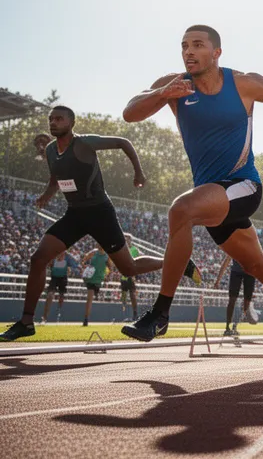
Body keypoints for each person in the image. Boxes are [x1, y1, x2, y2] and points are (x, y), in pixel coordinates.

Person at [120, 25, 263, 346]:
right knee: (255, 265)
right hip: (212, 196)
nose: (189, 52)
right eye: (184, 46)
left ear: (216, 53)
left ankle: (159, 315)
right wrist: (162, 94)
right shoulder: (175, 86)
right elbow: (130, 113)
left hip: (243, 186)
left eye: (198, 45)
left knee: (181, 210)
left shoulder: (244, 84)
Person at [1, 106, 186, 342]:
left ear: (72, 122)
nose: (53, 122)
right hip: (75, 215)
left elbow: (123, 142)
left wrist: (138, 173)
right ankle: (26, 323)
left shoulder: (83, 143)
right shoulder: (50, 150)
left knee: (128, 269)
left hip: (100, 213)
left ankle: (174, 260)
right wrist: (47, 195)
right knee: (38, 259)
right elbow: (55, 179)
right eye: (51, 119)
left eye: (59, 118)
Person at [219, 255, 259, 336]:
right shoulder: (233, 244)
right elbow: (226, 261)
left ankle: (235, 326)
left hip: (250, 272)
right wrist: (218, 279)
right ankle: (227, 328)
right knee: (232, 300)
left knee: (246, 305)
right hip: (236, 272)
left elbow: (258, 258)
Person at [80, 246, 114, 327]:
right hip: (90, 279)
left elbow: (110, 268)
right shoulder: (94, 252)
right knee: (90, 298)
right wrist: (85, 267)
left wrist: (108, 276)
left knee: (93, 297)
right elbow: (83, 261)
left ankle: (88, 318)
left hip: (99, 280)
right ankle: (86, 319)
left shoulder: (107, 256)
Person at [41, 250, 77, 324]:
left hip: (63, 279)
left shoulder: (67, 257)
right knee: (50, 295)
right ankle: (44, 318)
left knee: (61, 297)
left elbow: (76, 262)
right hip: (54, 278)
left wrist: (68, 255)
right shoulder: (53, 257)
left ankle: (58, 314)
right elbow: (46, 264)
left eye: (62, 254)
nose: (61, 256)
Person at [119, 234, 142, 321]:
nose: (126, 241)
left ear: (130, 240)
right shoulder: (122, 249)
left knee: (132, 295)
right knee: (124, 297)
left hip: (130, 275)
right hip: (123, 276)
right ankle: (125, 315)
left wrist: (134, 275)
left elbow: (135, 261)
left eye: (127, 239)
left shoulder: (134, 249)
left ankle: (135, 314)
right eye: (125, 239)